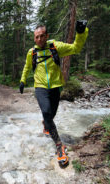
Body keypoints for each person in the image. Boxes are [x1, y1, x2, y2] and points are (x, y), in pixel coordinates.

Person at [19, 20, 88, 166]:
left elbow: (76, 48)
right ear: (34, 38)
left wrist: (80, 33)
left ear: (47, 35)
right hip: (40, 87)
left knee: (51, 115)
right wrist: (23, 81)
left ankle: (46, 123)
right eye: (36, 37)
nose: (39, 39)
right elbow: (26, 67)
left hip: (56, 87)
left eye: (42, 36)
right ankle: (59, 145)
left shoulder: (55, 47)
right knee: (46, 111)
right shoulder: (32, 53)